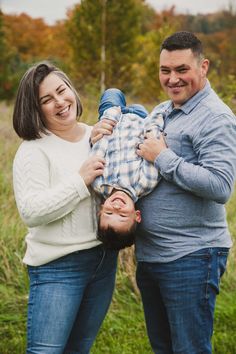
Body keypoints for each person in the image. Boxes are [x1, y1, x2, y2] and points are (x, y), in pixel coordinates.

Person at [91, 31, 236, 353]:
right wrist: (99, 133)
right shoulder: (164, 110)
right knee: (163, 347)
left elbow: (221, 186)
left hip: (192, 255)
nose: (172, 79)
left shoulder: (216, 118)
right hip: (153, 256)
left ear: (203, 67)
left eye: (181, 69)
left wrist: (164, 157)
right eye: (165, 70)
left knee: (189, 348)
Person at [12, 61, 118, 354]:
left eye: (62, 90)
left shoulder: (95, 135)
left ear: (72, 90)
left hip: (102, 261)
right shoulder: (33, 150)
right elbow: (31, 211)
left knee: (79, 349)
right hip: (58, 267)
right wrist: (80, 180)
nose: (60, 102)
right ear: (35, 109)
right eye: (47, 99)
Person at [91, 88, 164, 250]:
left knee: (112, 91)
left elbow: (99, 146)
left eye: (109, 213)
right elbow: (151, 140)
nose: (116, 208)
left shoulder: (98, 182)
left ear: (101, 210)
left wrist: (112, 115)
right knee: (140, 101)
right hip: (139, 117)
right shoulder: (145, 183)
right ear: (136, 215)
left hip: (112, 116)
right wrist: (156, 117)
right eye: (123, 215)